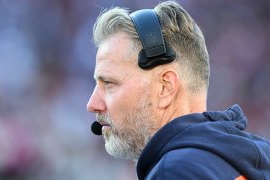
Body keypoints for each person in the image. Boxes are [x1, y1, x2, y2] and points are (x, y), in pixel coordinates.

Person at [86, 1, 270, 179]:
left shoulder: (174, 171)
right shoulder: (255, 158)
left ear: (166, 87)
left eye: (109, 83)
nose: (92, 104)